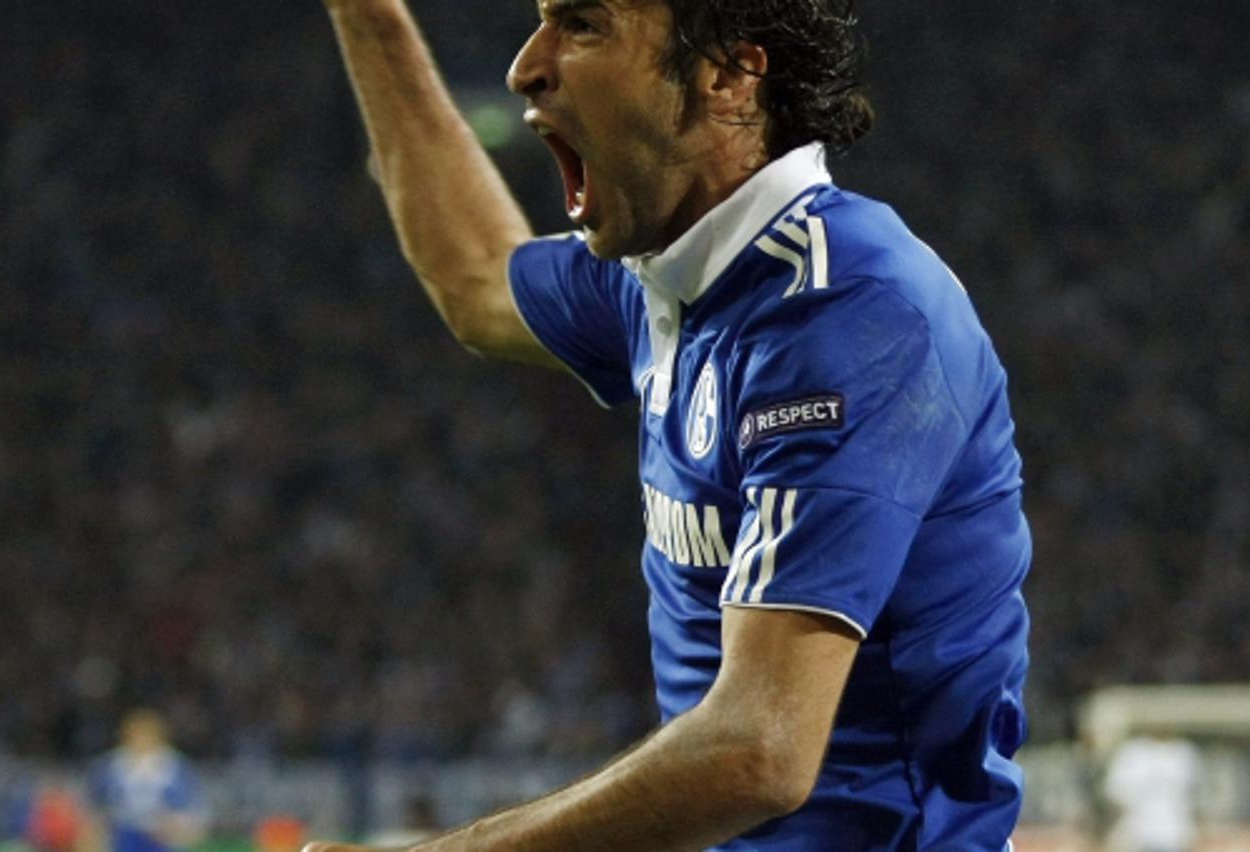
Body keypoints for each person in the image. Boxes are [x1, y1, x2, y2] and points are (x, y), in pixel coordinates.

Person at [310, 0, 1031, 848]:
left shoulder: (849, 316)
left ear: (726, 75)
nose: (526, 65)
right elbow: (475, 281)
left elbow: (759, 750)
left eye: (581, 24)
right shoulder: (671, 278)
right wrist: (368, 15)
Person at [86, 709, 209, 852]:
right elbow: (96, 802)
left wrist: (180, 825)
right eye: (137, 734)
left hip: (161, 833)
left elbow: (191, 803)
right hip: (124, 831)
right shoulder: (112, 765)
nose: (141, 739)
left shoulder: (173, 765)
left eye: (146, 734)